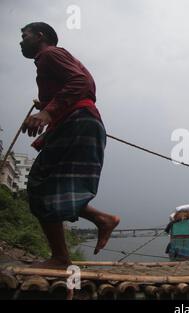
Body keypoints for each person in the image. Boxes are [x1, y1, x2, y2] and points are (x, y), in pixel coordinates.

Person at [20, 22, 120, 269]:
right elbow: (79, 83)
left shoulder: (49, 54)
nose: (21, 41)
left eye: (25, 36)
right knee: (54, 186)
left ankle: (60, 257)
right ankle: (102, 220)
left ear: (40, 36)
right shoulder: (55, 57)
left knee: (39, 185)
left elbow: (81, 82)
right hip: (82, 122)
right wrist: (46, 105)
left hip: (77, 122)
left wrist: (47, 113)